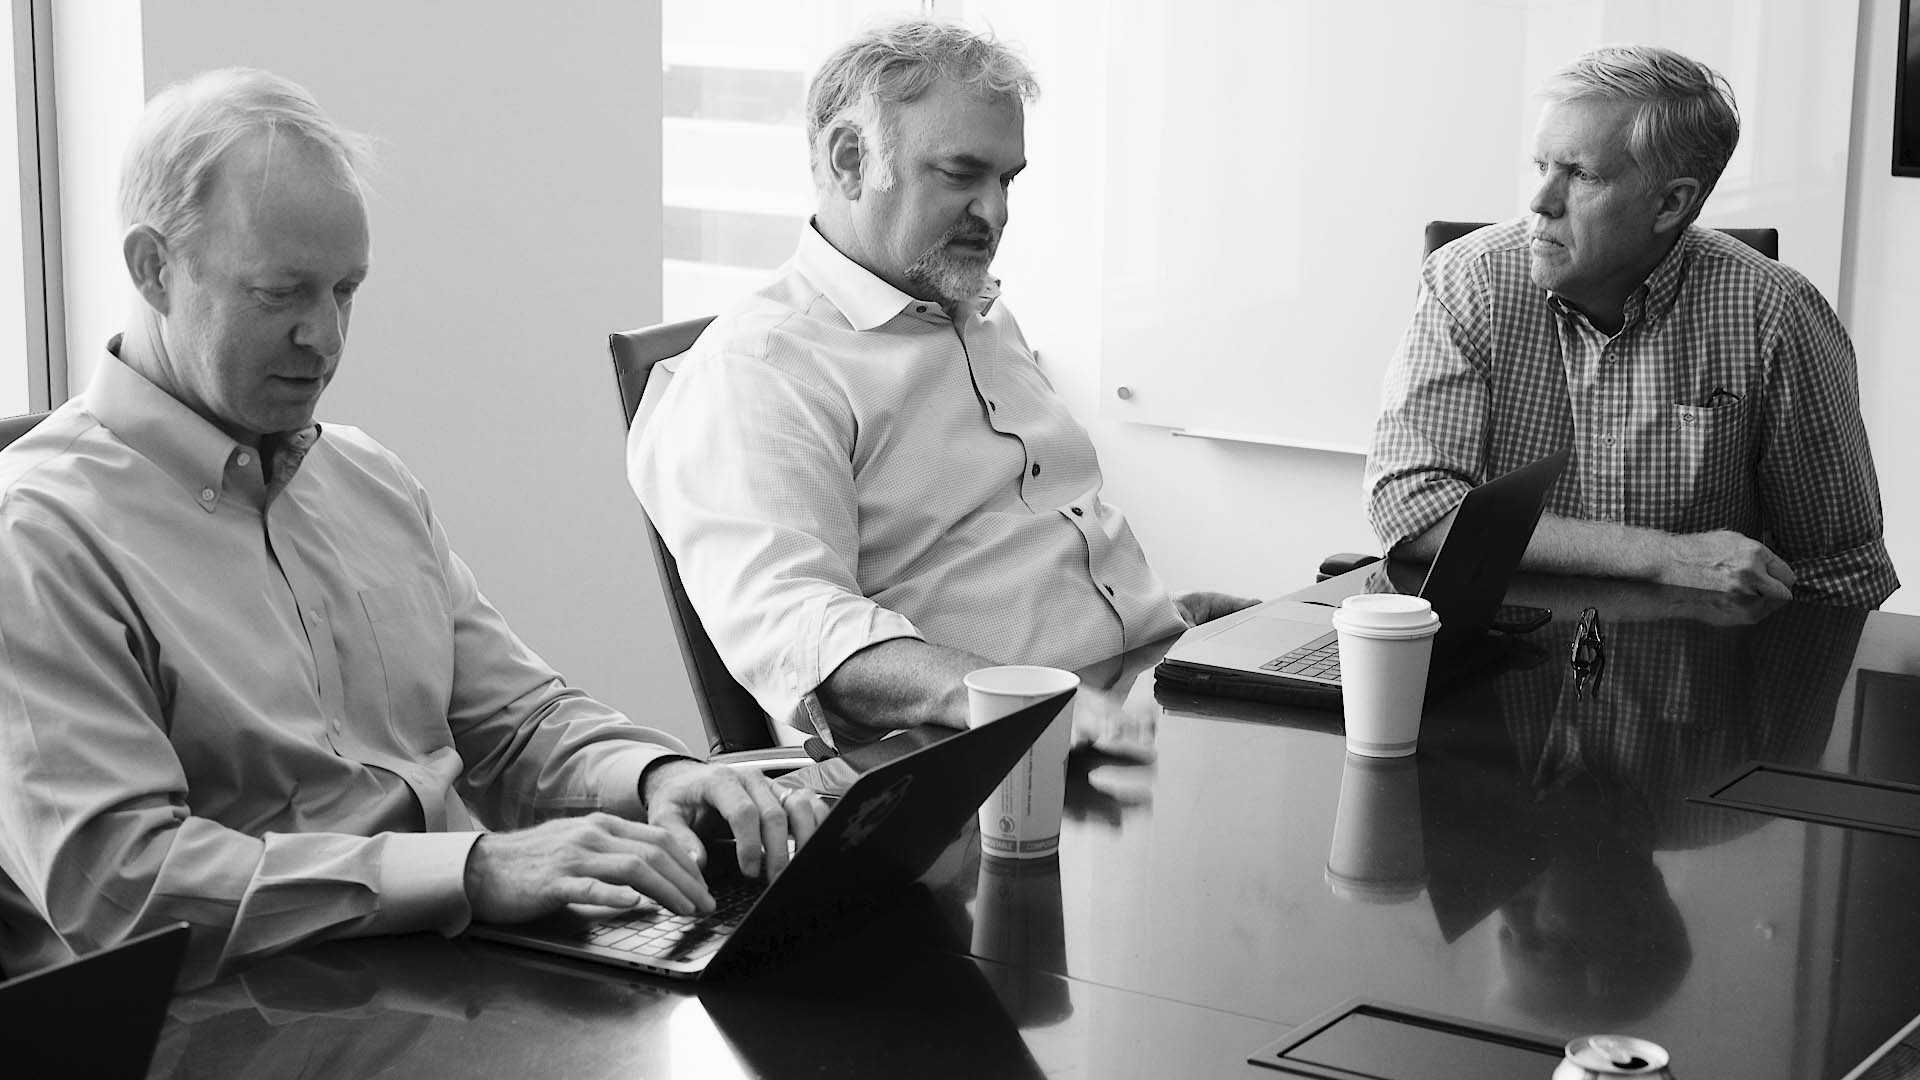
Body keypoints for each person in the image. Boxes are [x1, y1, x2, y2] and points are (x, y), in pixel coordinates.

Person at [0, 68, 822, 985]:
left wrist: (656, 778)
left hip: (448, 978)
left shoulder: (365, 480)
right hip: (235, 1016)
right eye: (282, 295)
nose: (326, 337)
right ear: (153, 268)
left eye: (346, 291)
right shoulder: (36, 533)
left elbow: (518, 720)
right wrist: (472, 869)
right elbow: (117, 887)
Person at [630, 19, 1250, 751]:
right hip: (979, 764)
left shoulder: (980, 315)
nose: (996, 212)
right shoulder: (760, 370)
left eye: (1007, 179)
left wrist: (1163, 623)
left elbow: (1005, 553)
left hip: (1127, 704)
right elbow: (798, 628)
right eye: (961, 175)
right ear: (851, 158)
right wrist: (1013, 699)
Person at [1365, 45, 1897, 609]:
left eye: (1581, 175)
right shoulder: (1471, 280)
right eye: (1543, 167)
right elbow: (1409, 506)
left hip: (1694, 675)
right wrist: (1665, 557)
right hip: (1502, 665)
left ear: (1671, 204)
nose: (1539, 203)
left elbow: (1840, 572)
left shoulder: (1776, 314)